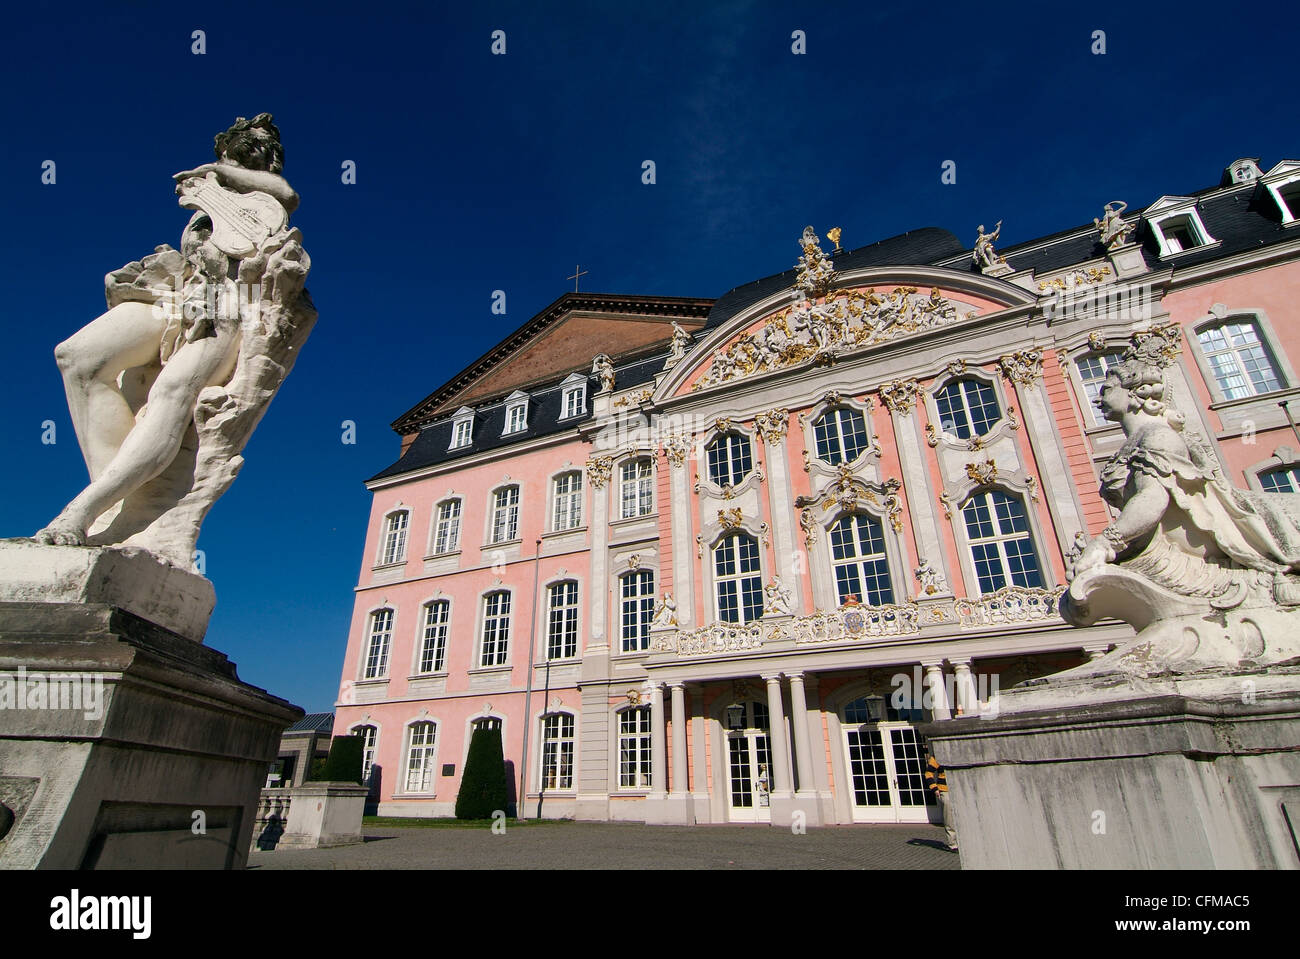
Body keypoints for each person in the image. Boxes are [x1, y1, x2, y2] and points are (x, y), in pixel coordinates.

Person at [35, 115, 298, 547]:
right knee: (78, 356)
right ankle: (117, 501)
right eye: (240, 150)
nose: (250, 156)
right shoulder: (212, 199)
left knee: (172, 395)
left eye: (261, 151)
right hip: (179, 294)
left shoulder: (262, 197)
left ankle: (82, 510)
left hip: (229, 304)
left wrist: (217, 173)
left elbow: (288, 195)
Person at [925, 752, 958, 851]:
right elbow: (928, 773)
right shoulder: (937, 756)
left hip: (958, 789)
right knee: (949, 818)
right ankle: (953, 844)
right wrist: (934, 788)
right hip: (945, 790)